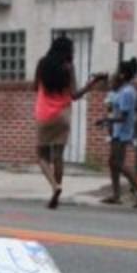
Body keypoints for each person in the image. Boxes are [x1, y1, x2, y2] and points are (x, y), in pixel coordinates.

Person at [33, 36, 105, 209]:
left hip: (44, 114)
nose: (73, 52)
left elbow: (35, 87)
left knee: (42, 157)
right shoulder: (68, 67)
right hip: (63, 115)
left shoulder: (42, 64)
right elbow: (74, 95)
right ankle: (56, 194)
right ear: (66, 51)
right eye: (72, 49)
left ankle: (54, 186)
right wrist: (93, 82)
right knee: (58, 156)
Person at [96, 58, 137, 207]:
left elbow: (123, 118)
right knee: (113, 163)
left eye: (118, 71)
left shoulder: (127, 92)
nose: (116, 73)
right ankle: (116, 195)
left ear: (123, 75)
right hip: (117, 132)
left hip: (122, 132)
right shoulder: (123, 90)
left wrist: (105, 120)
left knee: (118, 163)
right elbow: (113, 104)